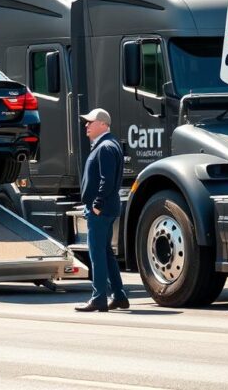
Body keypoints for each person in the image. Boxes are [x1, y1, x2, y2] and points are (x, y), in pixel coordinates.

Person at [75, 107, 129, 312]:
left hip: (101, 209)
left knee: (97, 254)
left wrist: (97, 204)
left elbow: (107, 180)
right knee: (106, 253)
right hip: (106, 207)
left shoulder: (105, 146)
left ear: (104, 124)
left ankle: (98, 298)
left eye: (91, 121)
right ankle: (119, 296)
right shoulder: (108, 144)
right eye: (86, 122)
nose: (86, 125)